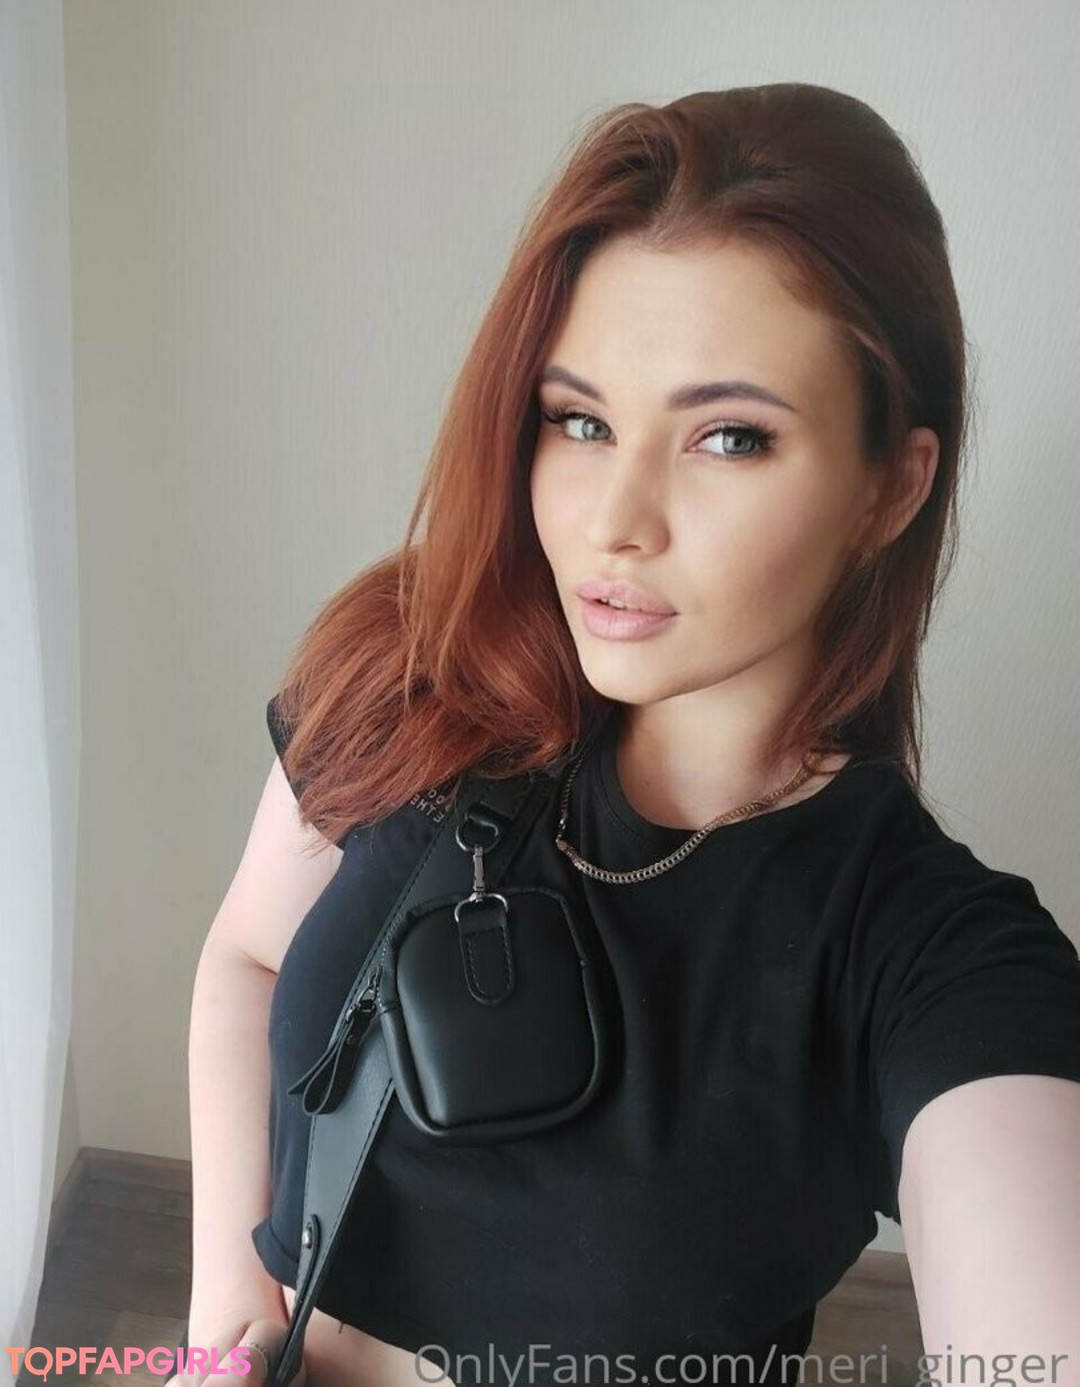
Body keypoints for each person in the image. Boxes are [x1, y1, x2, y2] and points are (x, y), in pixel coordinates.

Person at [166, 84, 1080, 1387]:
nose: (615, 522)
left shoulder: (916, 948)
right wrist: (223, 1325)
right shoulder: (420, 668)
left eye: (729, 438)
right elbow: (249, 960)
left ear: (892, 486)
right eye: (581, 420)